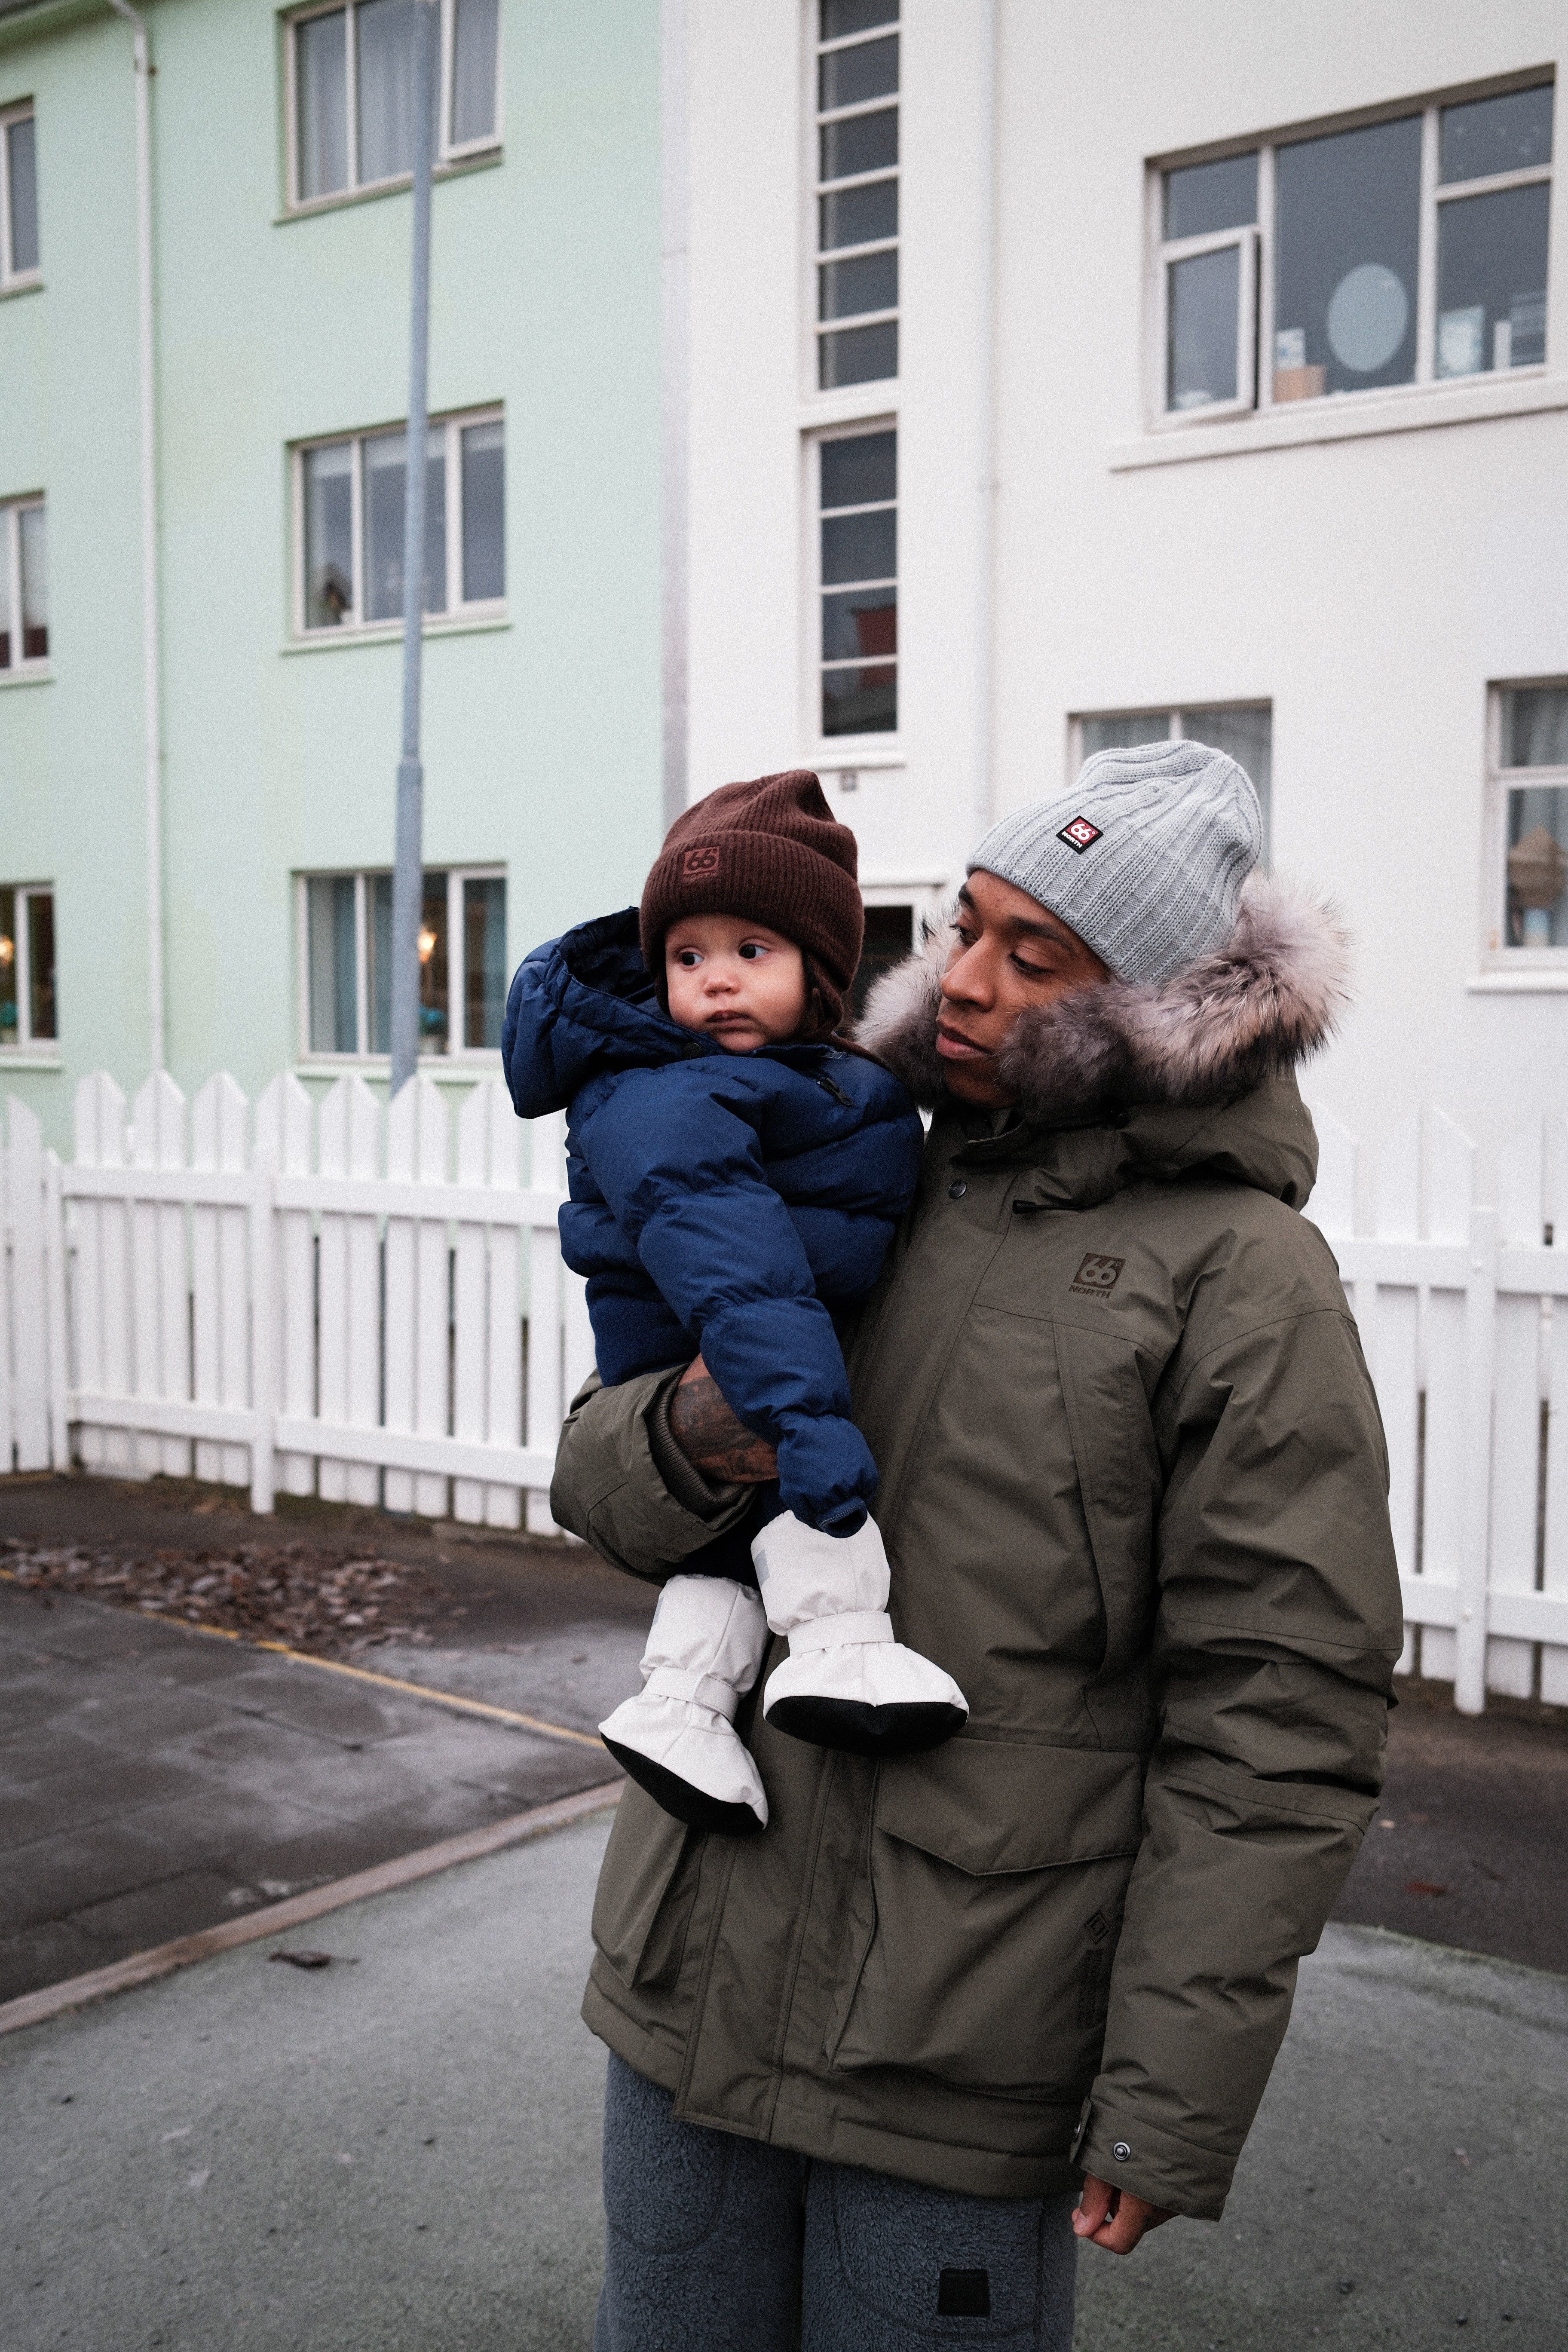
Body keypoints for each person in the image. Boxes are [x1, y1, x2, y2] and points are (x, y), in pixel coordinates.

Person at [551, 738, 1403, 2352]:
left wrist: (1169, 2092)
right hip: (692, 1974)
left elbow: (1279, 1711)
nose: (963, 977)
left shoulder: (1240, 1277)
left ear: (1151, 1003)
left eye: (1036, 953)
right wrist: (686, 1436)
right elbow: (596, 1482)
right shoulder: (850, 1154)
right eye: (965, 923)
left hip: (960, 2040)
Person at [501, 770, 965, 1839]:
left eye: (751, 951)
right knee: (794, 1493)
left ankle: (681, 1704)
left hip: (748, 1331)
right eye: (687, 956)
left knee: (723, 1557)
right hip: (725, 1344)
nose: (715, 980)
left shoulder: (791, 1079)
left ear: (821, 972)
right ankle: (842, 1647)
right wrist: (811, 1427)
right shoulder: (670, 1091)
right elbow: (739, 1265)